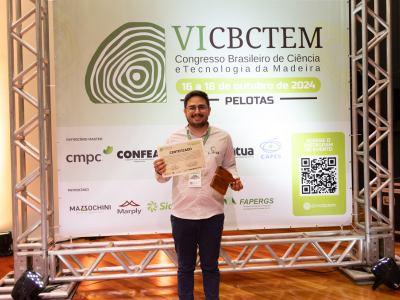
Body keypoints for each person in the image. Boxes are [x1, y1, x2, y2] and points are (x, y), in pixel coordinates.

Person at [153, 90, 243, 300]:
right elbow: (163, 177)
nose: (197, 112)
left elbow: (230, 165)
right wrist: (159, 170)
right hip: (182, 214)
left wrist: (234, 179)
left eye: (201, 107)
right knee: (185, 268)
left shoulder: (223, 137)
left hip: (213, 213)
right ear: (185, 112)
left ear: (209, 110)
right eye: (192, 108)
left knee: (211, 267)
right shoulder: (173, 138)